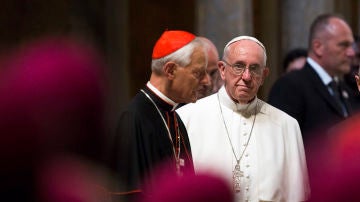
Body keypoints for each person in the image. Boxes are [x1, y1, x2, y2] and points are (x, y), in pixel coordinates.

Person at [177, 36, 310, 201]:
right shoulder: (187, 118)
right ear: (222, 70)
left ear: (264, 75)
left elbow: (297, 194)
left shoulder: (286, 125)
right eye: (239, 66)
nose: (247, 77)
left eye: (254, 69)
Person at [107, 30, 209, 201]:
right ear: (170, 70)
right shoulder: (133, 119)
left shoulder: (175, 119)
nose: (206, 81)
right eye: (198, 73)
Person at [268, 13, 360, 140]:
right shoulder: (290, 86)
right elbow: (281, 142)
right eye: (343, 45)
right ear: (318, 47)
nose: (351, 53)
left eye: (351, 46)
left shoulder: (345, 90)